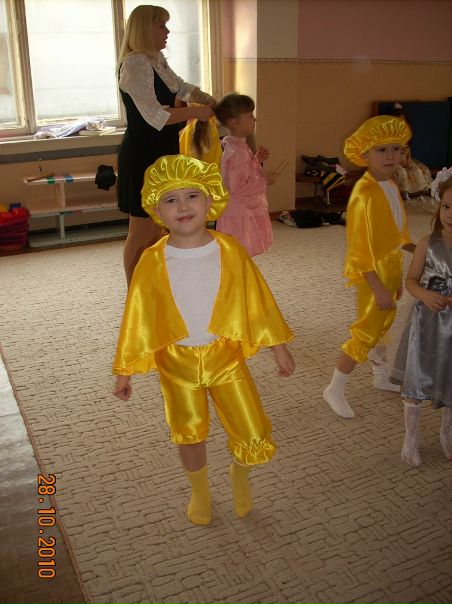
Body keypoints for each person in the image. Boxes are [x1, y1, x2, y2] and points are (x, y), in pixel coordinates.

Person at [112, 155, 295, 525]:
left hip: (225, 357)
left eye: (192, 195)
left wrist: (279, 347)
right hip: (176, 364)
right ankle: (200, 490)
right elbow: (137, 318)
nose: (183, 206)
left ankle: (239, 473)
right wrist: (124, 369)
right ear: (156, 210)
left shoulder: (230, 250)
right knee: (189, 432)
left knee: (253, 430)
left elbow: (257, 300)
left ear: (210, 199)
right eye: (171, 199)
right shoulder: (150, 261)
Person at [323, 115, 414, 419]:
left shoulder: (389, 184)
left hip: (390, 266)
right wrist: (377, 286)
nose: (391, 156)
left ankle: (380, 374)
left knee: (382, 324)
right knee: (366, 329)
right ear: (364, 154)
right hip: (372, 272)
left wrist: (406, 261)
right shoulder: (364, 194)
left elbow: (396, 231)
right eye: (381, 150)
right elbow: (359, 249)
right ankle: (334, 388)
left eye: (396, 149)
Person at [117, 4, 216, 286]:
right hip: (143, 156)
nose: (167, 31)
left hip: (162, 154)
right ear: (144, 29)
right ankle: (135, 294)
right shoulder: (135, 63)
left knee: (159, 229)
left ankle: (152, 288)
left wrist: (209, 100)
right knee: (141, 231)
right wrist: (197, 112)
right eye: (161, 25)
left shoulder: (155, 60)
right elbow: (155, 116)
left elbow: (181, 87)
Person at [390, 167, 452, 466]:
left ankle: (447, 433)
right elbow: (411, 280)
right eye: (447, 206)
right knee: (416, 378)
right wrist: (425, 295)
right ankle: (411, 437)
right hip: (427, 323)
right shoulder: (428, 243)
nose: (450, 214)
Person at [213, 93, 279, 257]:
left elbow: (243, 173)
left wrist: (257, 159)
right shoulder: (237, 152)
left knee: (240, 253)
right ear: (235, 122)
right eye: (250, 116)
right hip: (240, 214)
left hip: (242, 211)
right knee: (240, 252)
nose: (254, 119)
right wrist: (265, 181)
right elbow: (238, 186)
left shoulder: (238, 147)